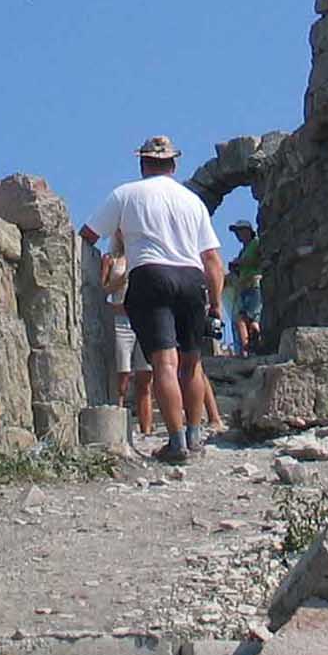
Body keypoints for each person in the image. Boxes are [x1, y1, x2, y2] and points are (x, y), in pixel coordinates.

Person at [80, 136, 226, 463]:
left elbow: (88, 235)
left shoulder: (126, 194)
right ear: (173, 165)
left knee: (164, 364)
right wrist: (215, 305)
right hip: (191, 278)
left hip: (150, 274)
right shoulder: (192, 201)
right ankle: (194, 436)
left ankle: (176, 443)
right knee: (192, 363)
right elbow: (213, 260)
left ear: (142, 164)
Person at [100, 229, 155, 438]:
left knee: (145, 377)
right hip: (121, 319)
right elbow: (102, 290)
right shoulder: (110, 259)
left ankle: (146, 429)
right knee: (122, 375)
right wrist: (121, 280)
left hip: (144, 319)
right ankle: (118, 426)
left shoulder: (145, 256)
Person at [227, 221, 263, 356]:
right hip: (244, 287)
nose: (238, 235)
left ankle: (250, 348)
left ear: (248, 231)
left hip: (254, 284)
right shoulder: (243, 250)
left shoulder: (256, 243)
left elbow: (259, 259)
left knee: (249, 318)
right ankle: (247, 349)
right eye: (237, 232)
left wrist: (239, 262)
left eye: (240, 231)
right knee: (243, 318)